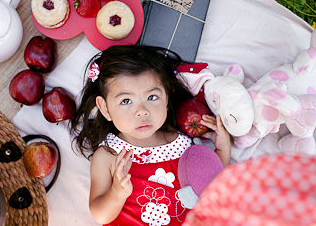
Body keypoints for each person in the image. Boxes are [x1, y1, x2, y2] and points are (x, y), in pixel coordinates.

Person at [70, 46, 232, 225]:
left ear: (167, 98)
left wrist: (222, 149)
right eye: (126, 101)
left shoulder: (184, 146)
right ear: (105, 108)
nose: (142, 111)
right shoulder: (109, 155)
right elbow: (100, 215)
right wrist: (116, 194)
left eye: (152, 97)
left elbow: (209, 186)